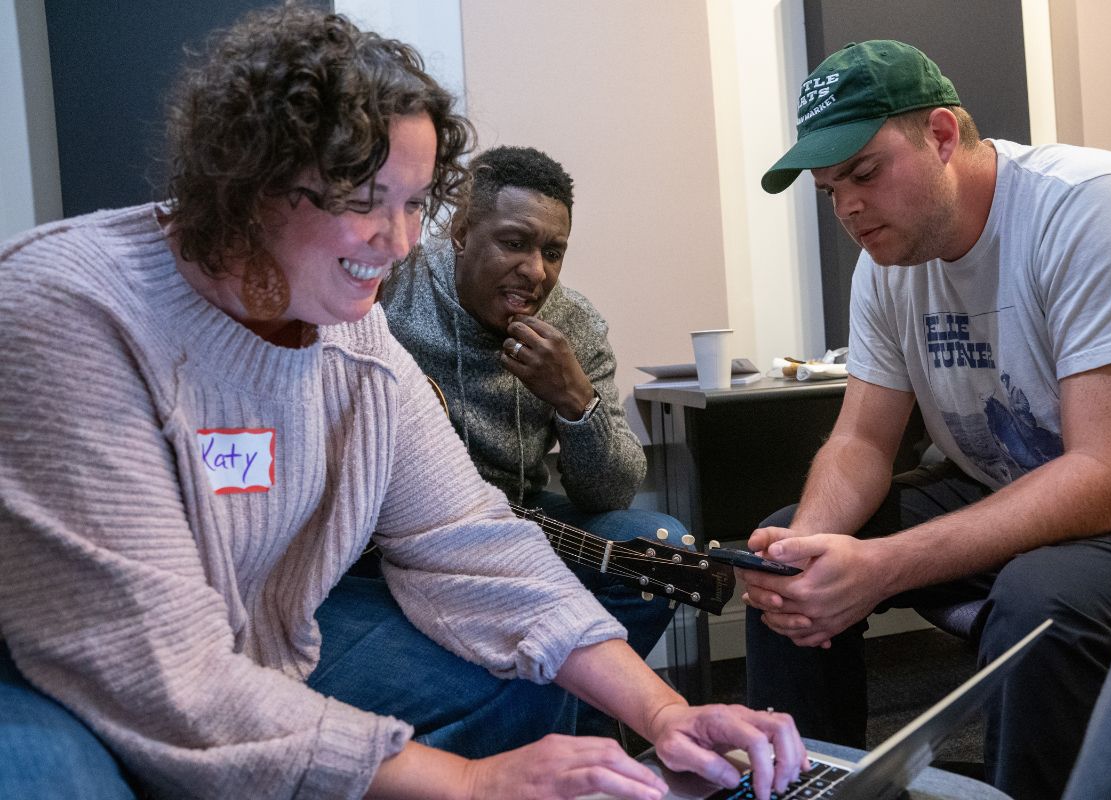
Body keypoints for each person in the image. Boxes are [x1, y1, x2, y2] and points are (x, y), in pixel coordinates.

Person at [0, 8, 804, 800]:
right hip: (51, 675)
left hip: (255, 651)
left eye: (415, 202)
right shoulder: (69, 312)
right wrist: (471, 782)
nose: (401, 239)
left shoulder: (357, 342)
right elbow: (155, 669)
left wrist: (667, 711)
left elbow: (472, 540)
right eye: (364, 197)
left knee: (532, 697)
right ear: (249, 180)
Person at [742, 39, 1111, 799]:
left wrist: (883, 566)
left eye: (864, 173)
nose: (847, 206)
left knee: (1040, 598)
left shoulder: (1095, 206)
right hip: (1020, 479)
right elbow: (859, 439)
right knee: (786, 567)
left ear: (942, 136)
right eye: (828, 190)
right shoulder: (887, 263)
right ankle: (810, 787)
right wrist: (810, 550)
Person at [379, 146, 683, 716]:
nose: (536, 271)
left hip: (517, 514)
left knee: (661, 551)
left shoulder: (572, 323)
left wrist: (576, 400)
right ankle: (553, 726)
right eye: (514, 243)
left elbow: (610, 494)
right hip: (400, 530)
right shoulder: (393, 290)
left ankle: (567, 721)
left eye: (553, 252)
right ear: (463, 231)